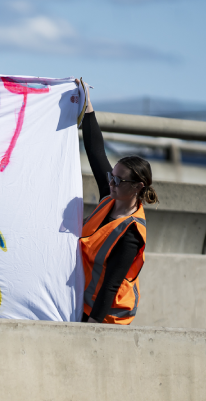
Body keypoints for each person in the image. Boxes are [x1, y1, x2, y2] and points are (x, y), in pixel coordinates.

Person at [79, 80, 159, 324]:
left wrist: (91, 328)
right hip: (84, 301)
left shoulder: (131, 233)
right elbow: (96, 152)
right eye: (111, 177)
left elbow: (111, 284)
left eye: (119, 180)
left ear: (137, 187)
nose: (111, 183)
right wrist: (88, 107)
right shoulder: (110, 197)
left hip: (107, 316)